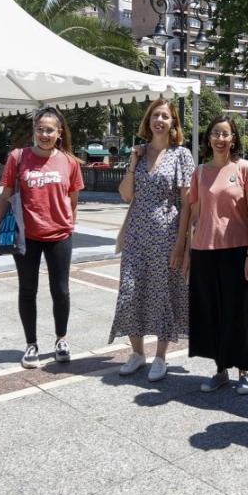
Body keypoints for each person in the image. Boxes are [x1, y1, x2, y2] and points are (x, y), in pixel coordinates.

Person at [0, 106, 85, 368]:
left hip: (60, 235)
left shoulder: (70, 162)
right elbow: (5, 197)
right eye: (40, 129)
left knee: (60, 291)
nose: (44, 134)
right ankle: (31, 344)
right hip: (27, 236)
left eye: (49, 130)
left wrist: (68, 226)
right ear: (34, 131)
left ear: (59, 132)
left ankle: (61, 339)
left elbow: (73, 201)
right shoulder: (18, 158)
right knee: (27, 290)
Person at [109, 99, 196, 381]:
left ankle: (160, 356)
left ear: (173, 124)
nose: (160, 120)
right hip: (136, 234)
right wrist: (133, 163)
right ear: (148, 121)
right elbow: (125, 194)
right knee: (131, 291)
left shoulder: (181, 155)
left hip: (167, 235)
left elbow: (188, 204)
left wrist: (182, 244)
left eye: (166, 116)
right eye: (155, 116)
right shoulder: (138, 152)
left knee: (164, 294)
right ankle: (137, 352)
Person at [179, 115, 248, 393]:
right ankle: (220, 369)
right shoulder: (200, 171)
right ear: (208, 138)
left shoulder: (245, 168)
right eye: (216, 133)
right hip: (204, 250)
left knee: (238, 312)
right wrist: (187, 252)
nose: (220, 139)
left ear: (233, 138)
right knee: (211, 312)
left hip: (237, 251)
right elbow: (193, 213)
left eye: (226, 134)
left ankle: (243, 371)